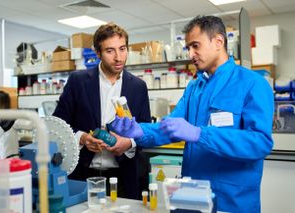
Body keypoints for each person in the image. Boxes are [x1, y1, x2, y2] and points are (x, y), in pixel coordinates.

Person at [111, 16, 274, 213]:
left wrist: (200, 134)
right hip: (191, 195)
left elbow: (260, 143)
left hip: (231, 200)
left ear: (218, 42)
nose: (191, 53)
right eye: (188, 47)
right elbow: (170, 127)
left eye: (195, 45)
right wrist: (138, 131)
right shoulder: (195, 87)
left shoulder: (252, 83)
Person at [52, 23, 151, 199]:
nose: (118, 57)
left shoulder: (138, 86)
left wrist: (128, 143)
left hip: (123, 177)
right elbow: (58, 124)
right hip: (83, 175)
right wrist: (82, 137)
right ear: (98, 53)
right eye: (110, 51)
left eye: (122, 49)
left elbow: (145, 130)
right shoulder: (78, 81)